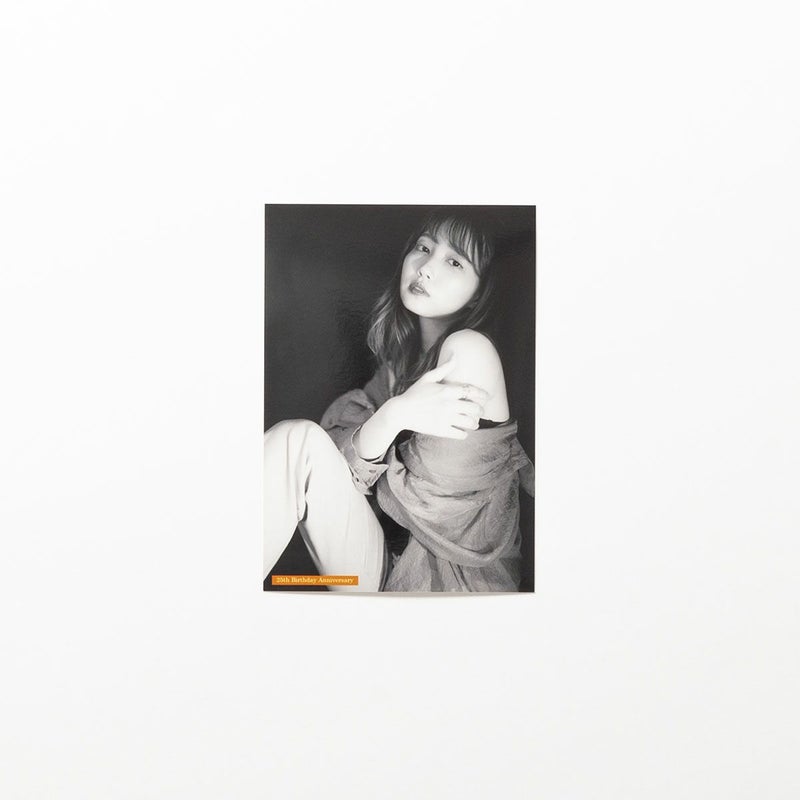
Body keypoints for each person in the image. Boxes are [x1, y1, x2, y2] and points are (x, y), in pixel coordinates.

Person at [263, 209, 534, 592]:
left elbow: (432, 508)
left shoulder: (470, 350)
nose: (426, 268)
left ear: (479, 293)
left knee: (300, 442)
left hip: (451, 593)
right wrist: (394, 414)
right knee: (296, 441)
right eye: (423, 247)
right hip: (384, 577)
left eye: (455, 261)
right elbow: (337, 464)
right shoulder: (397, 369)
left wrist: (382, 435)